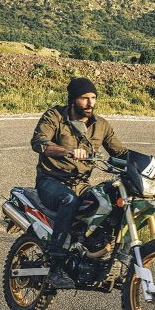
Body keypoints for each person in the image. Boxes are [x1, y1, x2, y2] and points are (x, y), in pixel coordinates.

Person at [30, 77, 128, 289]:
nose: (90, 103)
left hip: (81, 183)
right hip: (51, 181)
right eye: (85, 98)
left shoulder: (100, 125)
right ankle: (55, 266)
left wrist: (147, 161)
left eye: (93, 98)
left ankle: (105, 256)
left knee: (111, 200)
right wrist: (67, 151)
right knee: (68, 200)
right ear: (73, 99)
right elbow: (39, 142)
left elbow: (120, 152)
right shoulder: (55, 116)